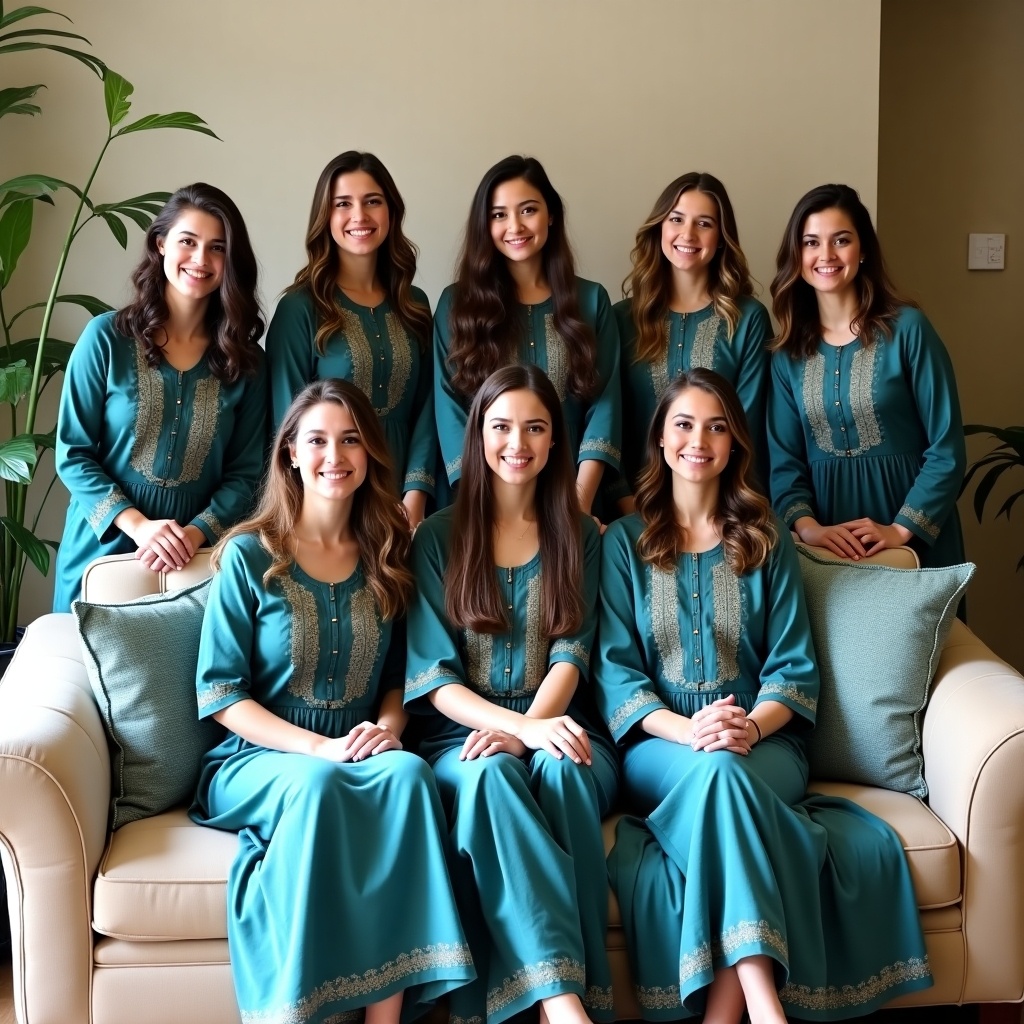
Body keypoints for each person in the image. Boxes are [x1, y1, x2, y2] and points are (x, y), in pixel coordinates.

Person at [595, 369, 931, 1023]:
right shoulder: (620, 545)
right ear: (661, 440)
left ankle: (732, 1010)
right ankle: (759, 1006)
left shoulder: (765, 536)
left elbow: (794, 669)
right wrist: (692, 731)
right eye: (685, 425)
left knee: (725, 772)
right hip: (661, 747)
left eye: (717, 426)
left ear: (734, 443)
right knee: (716, 770)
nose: (700, 440)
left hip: (765, 742)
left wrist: (747, 726)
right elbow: (618, 677)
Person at [190, 378, 474, 1024]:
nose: (334, 455)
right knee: (320, 784)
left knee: (408, 778)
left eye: (350, 440)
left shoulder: (387, 554)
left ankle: (385, 1017)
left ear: (370, 453)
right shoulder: (246, 556)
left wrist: (389, 729)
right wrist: (320, 746)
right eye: (316, 440)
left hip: (361, 749)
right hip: (260, 757)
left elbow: (402, 680)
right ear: (290, 452)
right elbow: (223, 696)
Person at [406, 364, 619, 1024]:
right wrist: (512, 731)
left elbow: (572, 656)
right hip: (460, 737)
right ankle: (564, 1006)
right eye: (501, 427)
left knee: (563, 769)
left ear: (557, 441)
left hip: (560, 721)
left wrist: (530, 728)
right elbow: (435, 680)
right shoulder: (439, 536)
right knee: (493, 775)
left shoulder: (581, 534)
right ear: (478, 436)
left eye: (535, 427)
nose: (516, 443)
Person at [54, 183, 267, 611]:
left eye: (217, 248)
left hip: (195, 558)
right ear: (161, 244)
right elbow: (73, 453)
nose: (200, 260)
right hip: (102, 544)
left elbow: (247, 475)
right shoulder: (106, 338)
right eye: (188, 241)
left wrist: (193, 534)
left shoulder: (247, 363)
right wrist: (139, 527)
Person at [768, 182, 966, 568]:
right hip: (828, 542)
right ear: (797, 254)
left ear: (863, 250)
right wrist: (810, 530)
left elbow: (947, 448)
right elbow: (784, 463)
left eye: (840, 240)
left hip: (913, 533)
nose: (826, 255)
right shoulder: (787, 355)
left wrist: (900, 530)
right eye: (811, 242)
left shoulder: (908, 329)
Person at [434, 155, 621, 522]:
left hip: (574, 490)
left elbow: (606, 402)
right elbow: (450, 405)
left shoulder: (592, 300)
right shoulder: (456, 304)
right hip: (483, 496)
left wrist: (578, 503)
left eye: (528, 210)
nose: (515, 226)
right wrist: (481, 497)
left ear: (551, 214)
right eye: (499, 214)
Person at [266, 151, 436, 529]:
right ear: (325, 216)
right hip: (328, 500)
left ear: (391, 211)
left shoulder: (415, 304)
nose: (359, 216)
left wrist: (415, 496)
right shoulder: (300, 307)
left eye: (372, 202)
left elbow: (428, 411)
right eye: (343, 204)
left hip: (404, 503)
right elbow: (287, 423)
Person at [612, 171, 771, 512]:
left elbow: (749, 426)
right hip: (633, 507)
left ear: (721, 237)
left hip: (721, 508)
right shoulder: (621, 319)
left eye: (704, 223)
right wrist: (627, 503)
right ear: (659, 228)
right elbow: (610, 419)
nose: (688, 234)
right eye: (677, 219)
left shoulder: (747, 319)